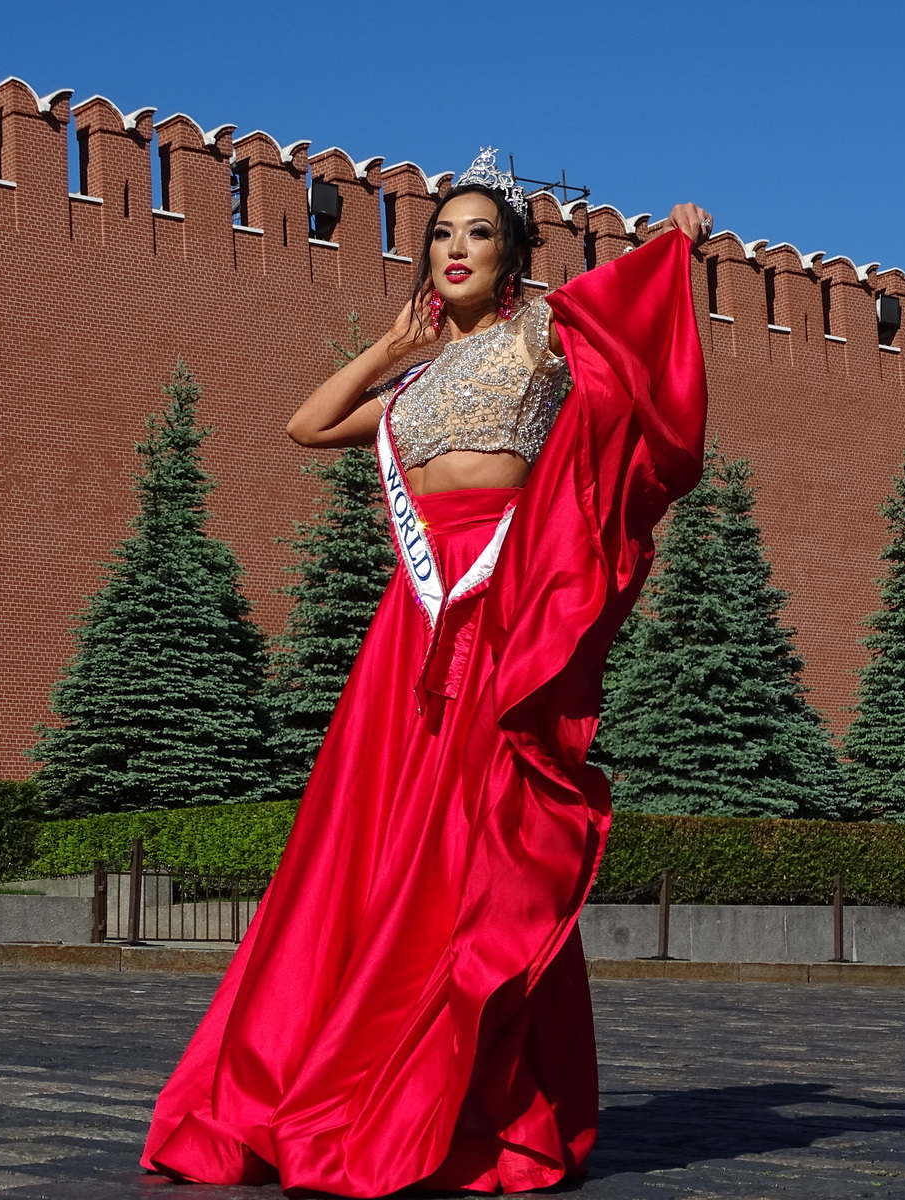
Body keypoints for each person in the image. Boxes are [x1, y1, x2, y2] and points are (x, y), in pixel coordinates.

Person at [142, 149, 712, 1197]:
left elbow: (632, 344)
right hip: (414, 620)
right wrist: (387, 346)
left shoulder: (541, 340)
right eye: (441, 234)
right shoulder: (412, 378)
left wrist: (673, 248)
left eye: (477, 234)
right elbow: (306, 426)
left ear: (513, 258)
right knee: (367, 843)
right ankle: (323, 1075)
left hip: (500, 605)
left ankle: (460, 1093)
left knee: (474, 840)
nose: (455, 249)